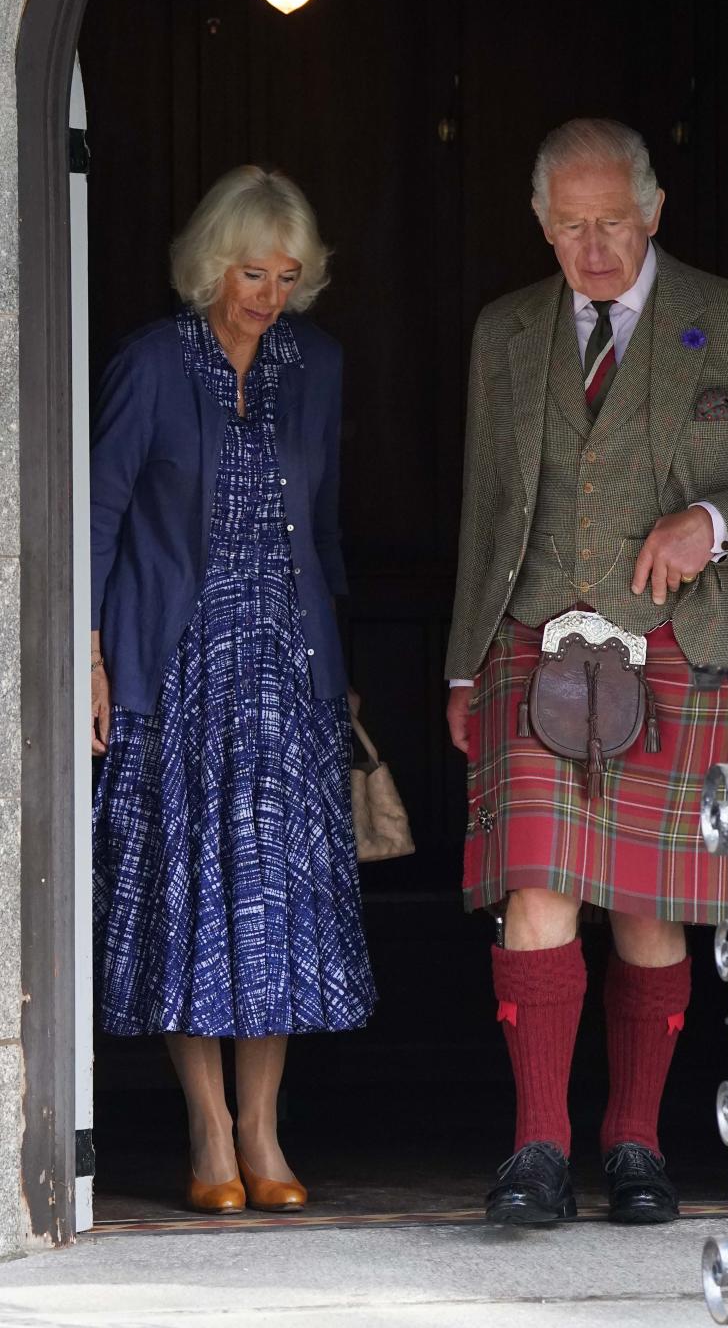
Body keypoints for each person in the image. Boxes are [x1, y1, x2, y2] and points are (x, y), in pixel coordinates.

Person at [446, 119, 728, 1226]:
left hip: (679, 650)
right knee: (537, 888)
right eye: (569, 226)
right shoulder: (507, 332)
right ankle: (537, 1146)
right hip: (530, 643)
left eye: (612, 221)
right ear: (541, 224)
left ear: (654, 212)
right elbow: (485, 510)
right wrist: (462, 665)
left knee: (649, 910)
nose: (593, 245)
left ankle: (634, 1143)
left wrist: (711, 522)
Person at [91, 165, 376, 1214]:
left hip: (287, 674)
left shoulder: (318, 363)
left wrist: (340, 682)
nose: (267, 292)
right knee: (189, 902)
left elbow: (329, 531)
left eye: (287, 274)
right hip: (175, 668)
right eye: (251, 271)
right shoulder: (152, 363)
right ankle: (208, 1124)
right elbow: (99, 510)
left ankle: (264, 1122)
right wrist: (89, 654)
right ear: (213, 263)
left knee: (279, 907)